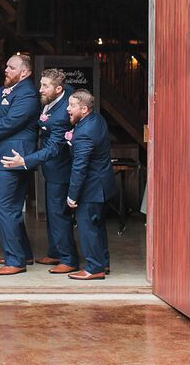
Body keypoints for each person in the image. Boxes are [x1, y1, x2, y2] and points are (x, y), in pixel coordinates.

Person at [1, 69, 79, 273]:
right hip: (50, 169)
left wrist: (25, 161)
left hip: (60, 169)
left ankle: (68, 259)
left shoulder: (63, 114)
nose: (40, 89)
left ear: (59, 89)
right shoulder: (55, 98)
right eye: (41, 84)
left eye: (45, 86)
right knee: (53, 213)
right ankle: (55, 253)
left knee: (58, 214)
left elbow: (53, 148)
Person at [0, 53, 40, 276]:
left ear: (24, 72)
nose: (6, 69)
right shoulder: (8, 89)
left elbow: (11, 121)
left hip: (12, 156)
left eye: (11, 67)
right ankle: (23, 253)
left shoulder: (27, 94)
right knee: (10, 207)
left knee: (6, 207)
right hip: (2, 155)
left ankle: (15, 260)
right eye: (6, 66)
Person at [63, 89, 115, 280]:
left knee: (87, 227)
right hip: (103, 184)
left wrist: (72, 196)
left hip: (92, 187)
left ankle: (94, 268)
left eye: (72, 106)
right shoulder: (97, 119)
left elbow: (80, 167)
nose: (68, 109)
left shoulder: (84, 132)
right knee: (98, 226)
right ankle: (104, 263)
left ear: (84, 109)